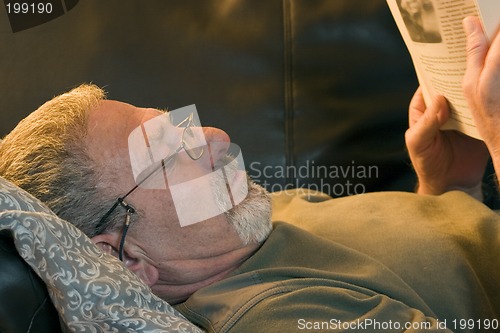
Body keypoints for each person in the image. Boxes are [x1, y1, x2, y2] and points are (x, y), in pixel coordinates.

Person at [0, 16, 499, 332]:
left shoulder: (245, 224)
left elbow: (432, 275)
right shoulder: (274, 315)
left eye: (179, 123)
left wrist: (451, 187)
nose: (215, 136)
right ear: (128, 258)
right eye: (170, 153)